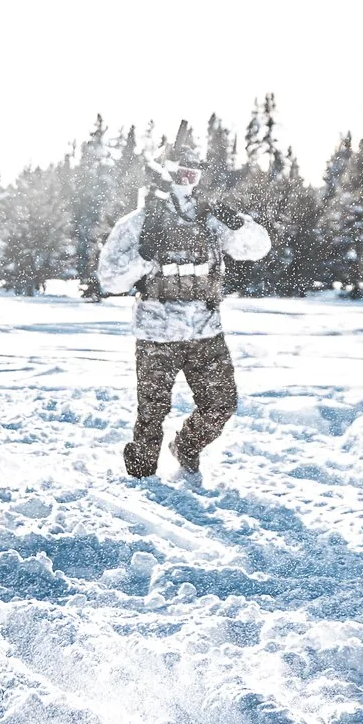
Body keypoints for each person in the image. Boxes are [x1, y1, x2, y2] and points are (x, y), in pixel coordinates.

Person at [96, 124, 273, 478]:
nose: (188, 177)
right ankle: (141, 482)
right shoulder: (139, 222)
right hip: (157, 334)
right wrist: (145, 255)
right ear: (166, 170)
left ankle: (186, 447)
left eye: (195, 170)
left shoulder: (211, 220)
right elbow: (109, 279)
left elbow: (258, 248)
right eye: (181, 169)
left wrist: (238, 223)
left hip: (206, 333)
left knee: (221, 405)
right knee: (151, 415)